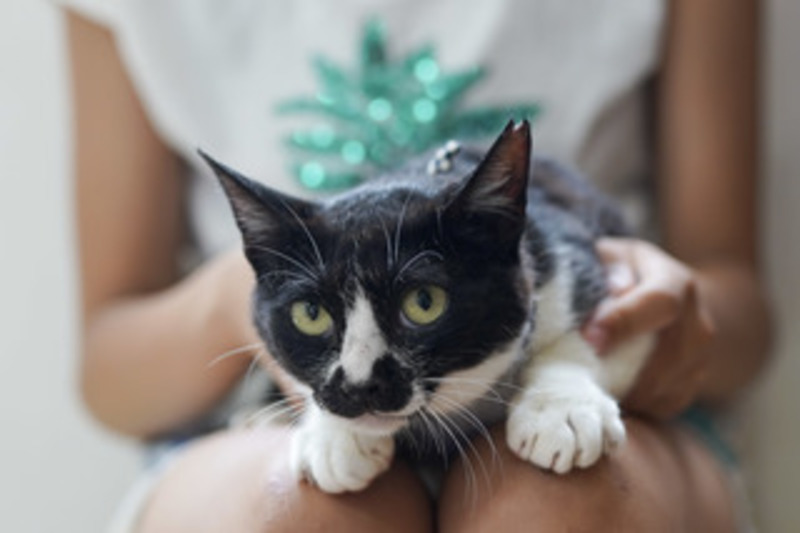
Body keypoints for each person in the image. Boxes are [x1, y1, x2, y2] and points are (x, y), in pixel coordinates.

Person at [63, 1, 771, 531]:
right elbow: (106, 371)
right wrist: (231, 301)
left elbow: (744, 311)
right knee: (299, 513)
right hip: (254, 415)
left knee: (555, 504)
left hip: (605, 386)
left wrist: (661, 319)